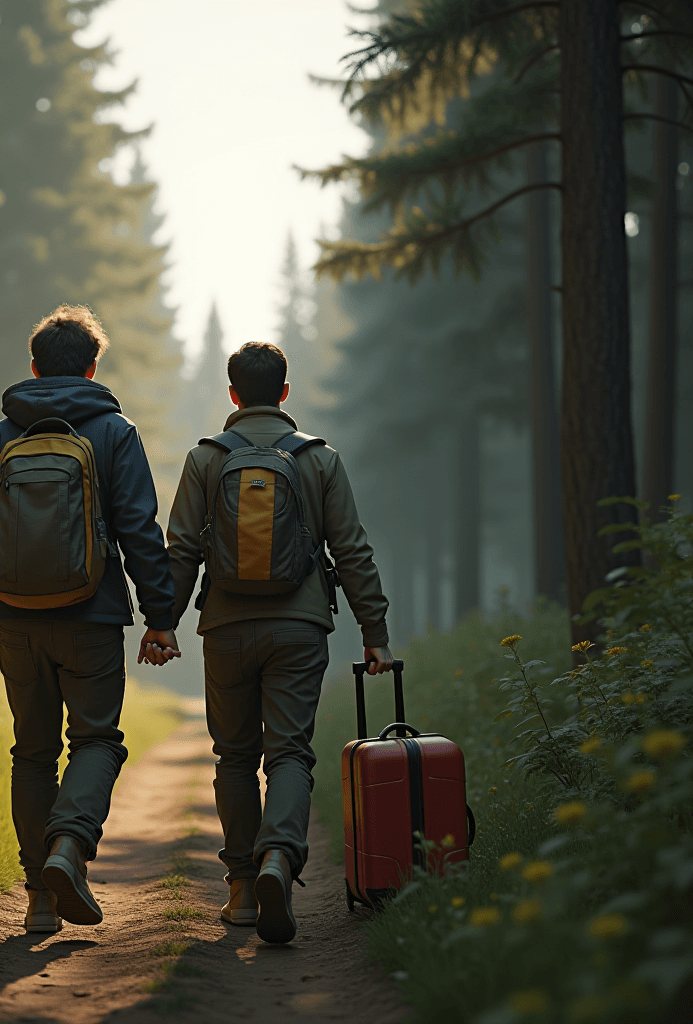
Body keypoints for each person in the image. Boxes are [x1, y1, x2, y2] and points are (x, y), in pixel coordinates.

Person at [0, 305, 179, 934]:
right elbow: (139, 530)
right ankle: (68, 850)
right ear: (93, 367)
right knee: (97, 741)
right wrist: (161, 616)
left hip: (15, 617)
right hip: (93, 614)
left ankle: (38, 901)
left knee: (33, 753)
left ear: (34, 367)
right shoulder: (115, 434)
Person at [166, 341, 392, 944]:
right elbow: (353, 550)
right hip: (300, 626)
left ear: (233, 394)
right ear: (285, 392)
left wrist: (163, 623)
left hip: (227, 626)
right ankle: (277, 859)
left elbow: (182, 548)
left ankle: (242, 891)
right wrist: (376, 634)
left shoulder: (207, 458)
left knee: (234, 756)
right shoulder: (320, 460)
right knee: (289, 753)